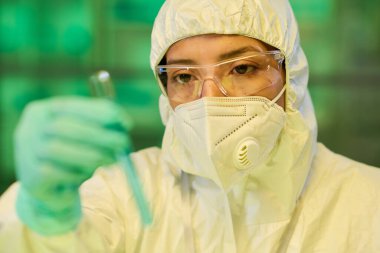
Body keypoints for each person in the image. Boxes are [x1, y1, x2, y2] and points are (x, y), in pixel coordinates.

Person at [1, 0, 380, 252]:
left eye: (243, 69)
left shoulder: (367, 203)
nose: (210, 99)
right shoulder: (128, 192)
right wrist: (42, 216)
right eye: (183, 76)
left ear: (291, 76)